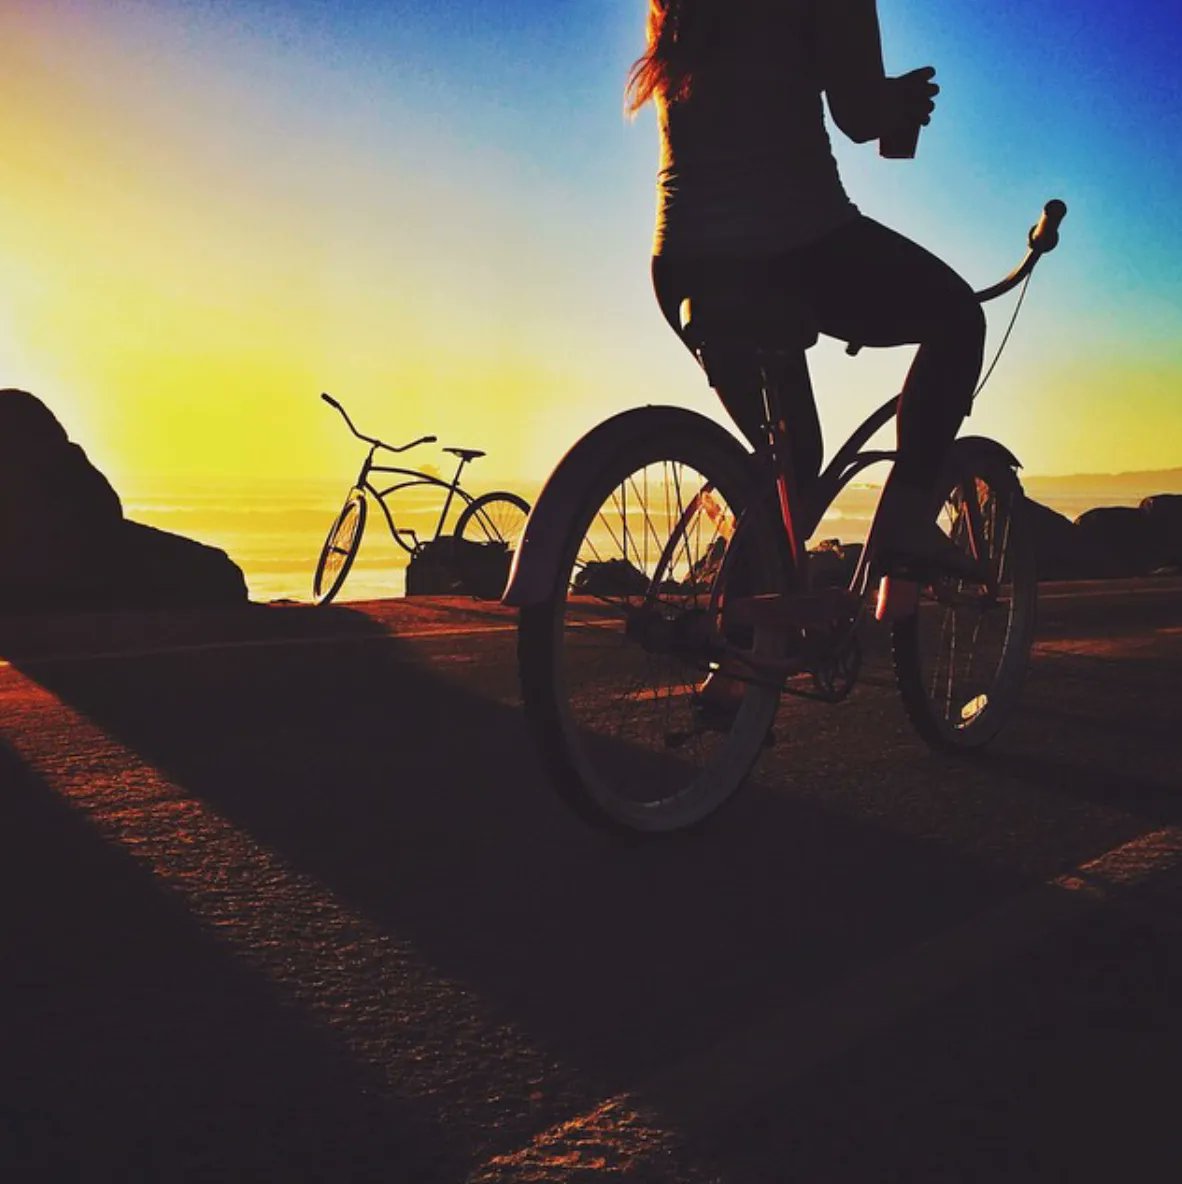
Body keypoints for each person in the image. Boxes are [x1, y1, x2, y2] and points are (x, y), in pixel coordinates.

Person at [627, 0, 987, 567]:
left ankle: (743, 633)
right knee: (958, 317)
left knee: (790, 466)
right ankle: (906, 522)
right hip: (798, 245)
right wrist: (902, 103)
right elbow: (861, 115)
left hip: (683, 265)